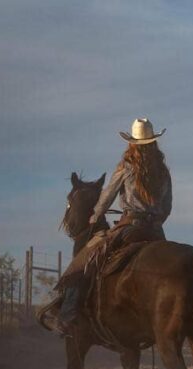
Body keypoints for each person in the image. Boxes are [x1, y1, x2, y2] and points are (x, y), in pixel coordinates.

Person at [54, 118, 172, 334]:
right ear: (153, 142)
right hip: (156, 231)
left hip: (129, 227)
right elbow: (167, 206)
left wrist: (95, 216)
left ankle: (67, 314)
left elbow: (107, 196)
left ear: (133, 143)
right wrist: (154, 221)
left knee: (85, 260)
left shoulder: (127, 167)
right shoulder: (163, 171)